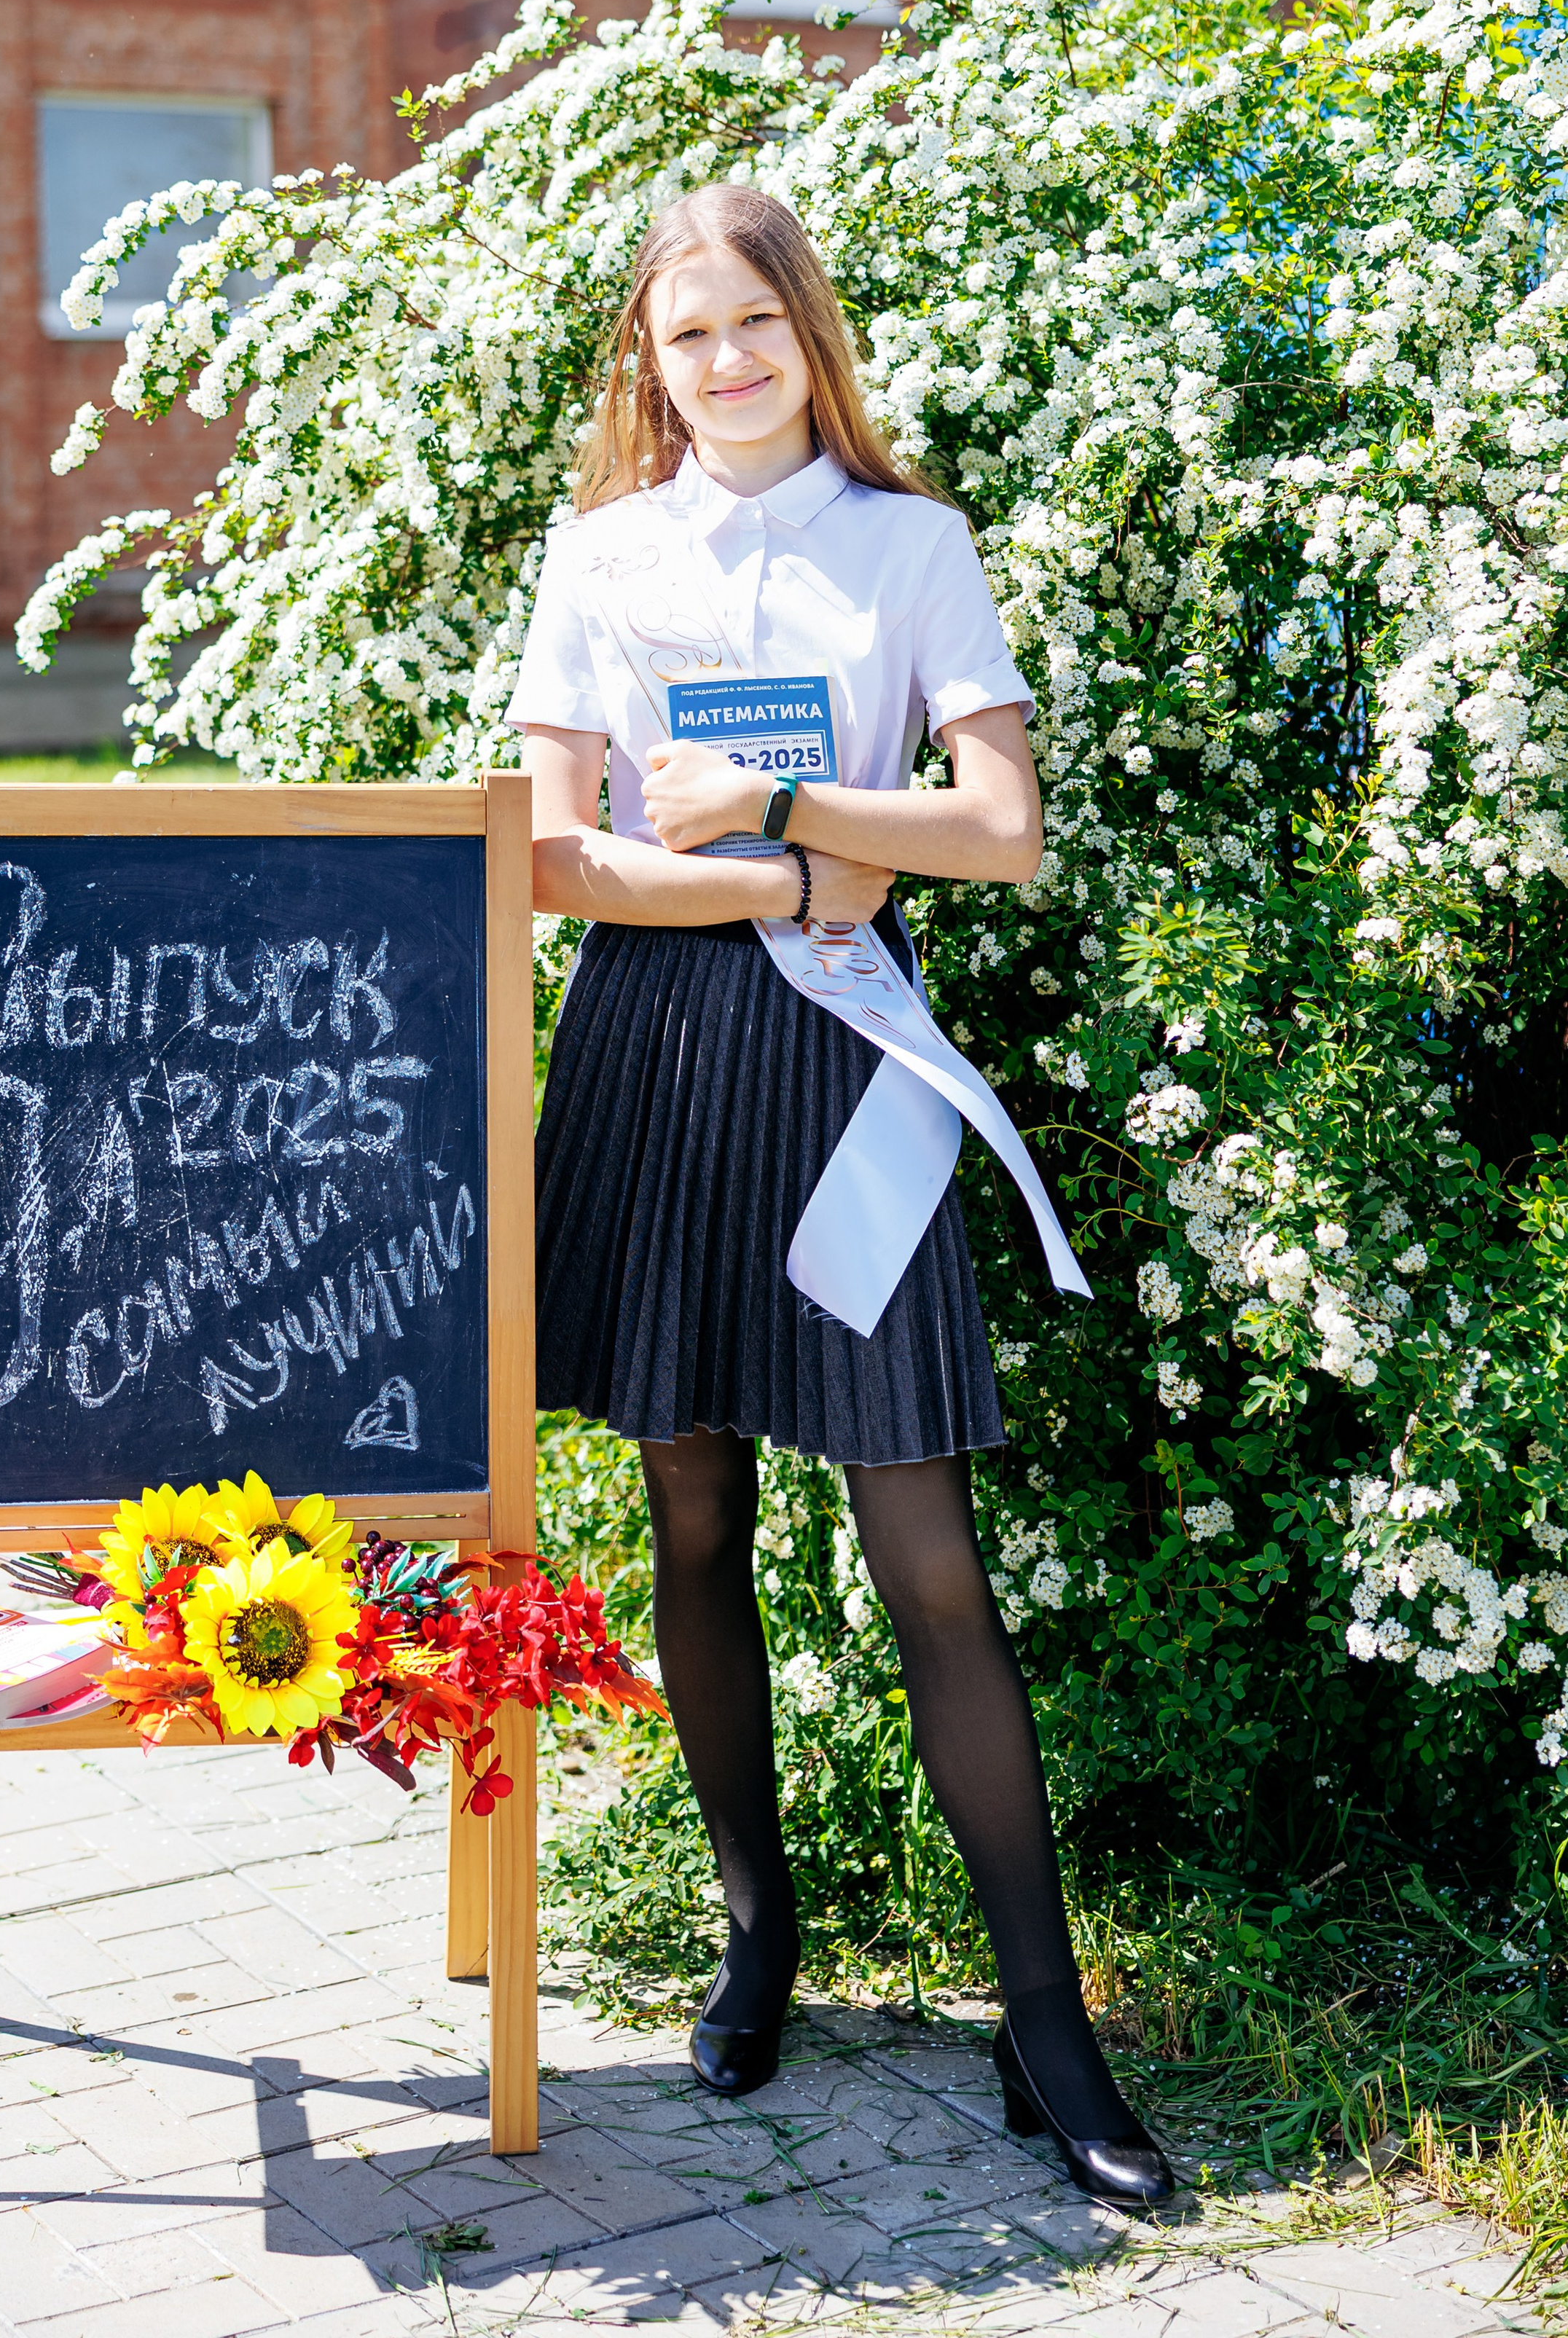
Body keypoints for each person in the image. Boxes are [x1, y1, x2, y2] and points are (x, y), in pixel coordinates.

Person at [506, 183, 1172, 2212]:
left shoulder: (913, 548)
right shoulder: (601, 555)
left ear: (812, 342)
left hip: (844, 1070)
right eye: (685, 334)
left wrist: (780, 807)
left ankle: (1045, 2028)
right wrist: (804, 876)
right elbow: (555, 860)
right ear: (652, 357)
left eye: (755, 328)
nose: (721, 364)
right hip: (654, 1056)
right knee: (688, 1502)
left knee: (922, 1536)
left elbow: (1002, 829)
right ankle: (754, 1927)